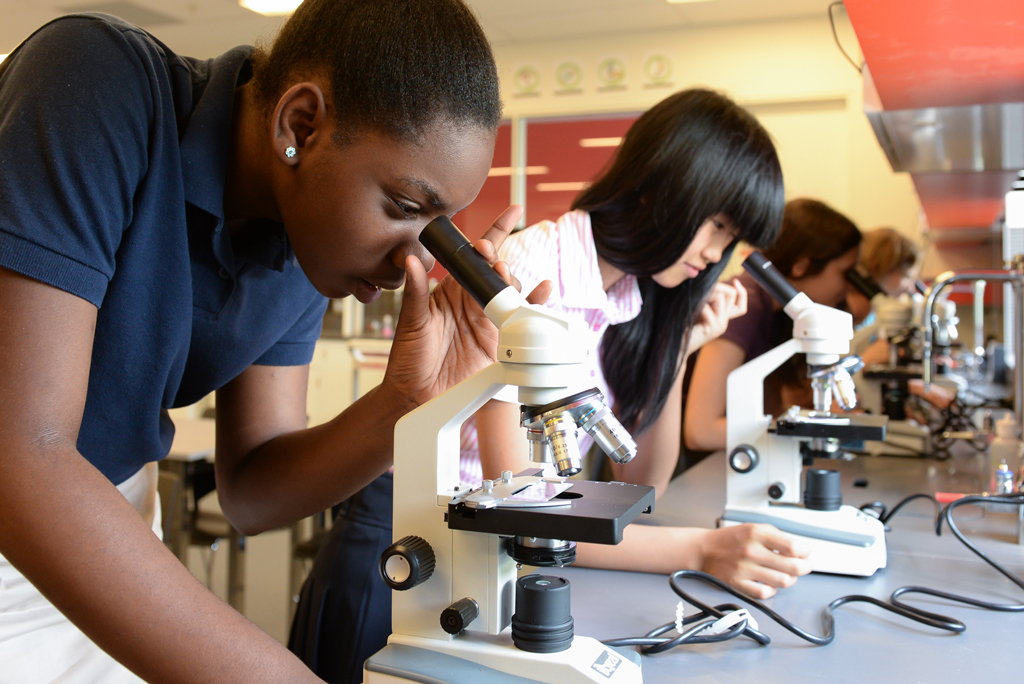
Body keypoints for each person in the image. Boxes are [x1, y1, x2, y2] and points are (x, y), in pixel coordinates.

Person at [0, 2, 537, 682]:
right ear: (301, 124)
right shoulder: (95, 78)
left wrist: (409, 400)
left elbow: (253, 492)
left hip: (105, 528)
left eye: (438, 227)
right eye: (405, 208)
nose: (416, 264)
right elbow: (22, 457)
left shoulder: (304, 233)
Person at [292, 89, 811, 684]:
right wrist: (700, 552)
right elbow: (523, 511)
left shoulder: (629, 298)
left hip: (486, 558)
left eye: (732, 240)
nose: (715, 255)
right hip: (409, 551)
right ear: (662, 185)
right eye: (716, 225)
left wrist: (678, 351)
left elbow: (643, 482)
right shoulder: (530, 271)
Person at [682, 198, 862, 458]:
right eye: (847, 273)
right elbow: (700, 431)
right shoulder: (743, 305)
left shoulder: (779, 313)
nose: (849, 287)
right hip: (689, 469)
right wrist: (804, 430)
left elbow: (771, 406)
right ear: (802, 265)